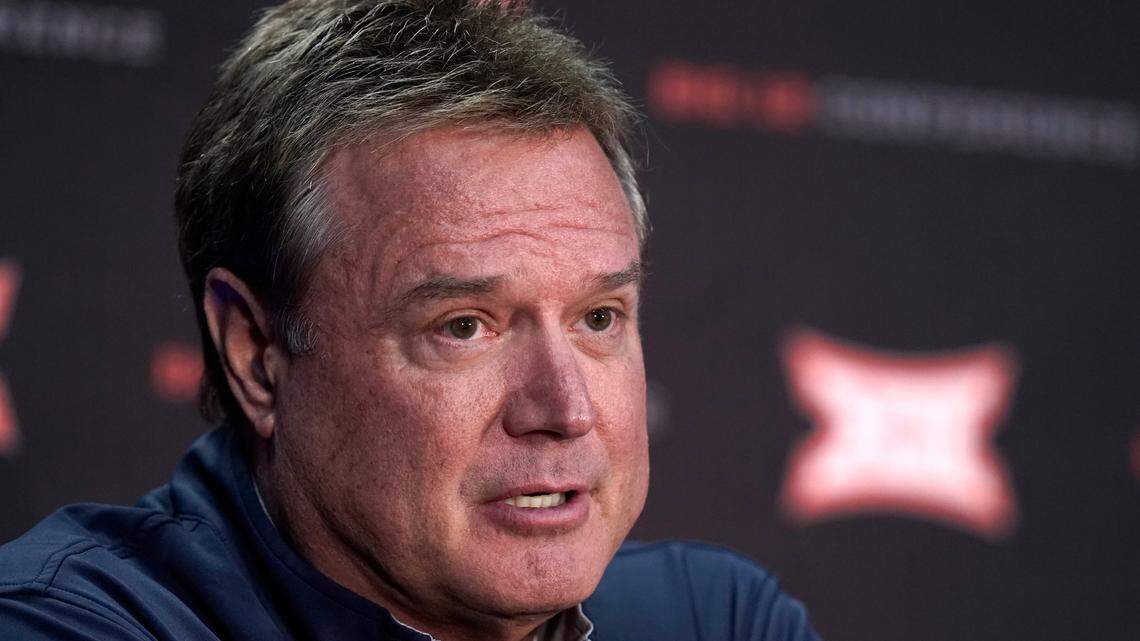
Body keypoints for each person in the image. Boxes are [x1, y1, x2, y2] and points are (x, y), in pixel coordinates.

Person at [0, 1, 820, 639]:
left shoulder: (716, 620)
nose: (564, 409)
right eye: (465, 326)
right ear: (255, 354)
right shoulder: (60, 622)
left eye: (598, 317)